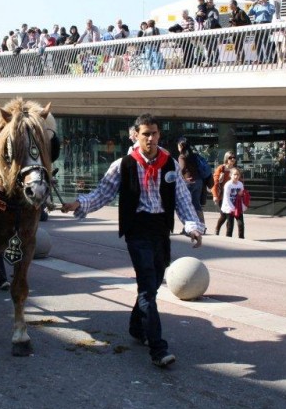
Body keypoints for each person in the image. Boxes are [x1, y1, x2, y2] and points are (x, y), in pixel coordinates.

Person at [60, 114, 204, 368]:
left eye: (155, 133)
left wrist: (192, 226)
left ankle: (137, 326)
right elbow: (102, 193)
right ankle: (158, 348)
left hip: (160, 230)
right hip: (136, 229)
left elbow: (182, 198)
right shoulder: (124, 164)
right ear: (136, 135)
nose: (150, 138)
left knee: (154, 282)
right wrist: (78, 204)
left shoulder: (169, 163)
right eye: (146, 133)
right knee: (148, 285)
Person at [177, 138, 205, 225]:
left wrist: (182, 178)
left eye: (178, 145)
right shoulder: (195, 155)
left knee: (186, 205)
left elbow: (182, 168)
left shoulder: (182, 156)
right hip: (198, 181)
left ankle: (189, 227)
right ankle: (202, 225)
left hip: (188, 182)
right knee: (196, 204)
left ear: (181, 146)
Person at [212, 151, 238, 235]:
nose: (233, 159)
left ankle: (228, 234)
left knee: (229, 216)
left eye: (234, 157)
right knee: (224, 215)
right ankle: (217, 229)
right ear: (226, 158)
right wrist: (215, 195)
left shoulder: (235, 170)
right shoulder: (221, 168)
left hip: (232, 196)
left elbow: (240, 182)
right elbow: (215, 183)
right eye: (230, 157)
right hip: (222, 196)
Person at [217, 167, 245, 238]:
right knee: (230, 225)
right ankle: (228, 238)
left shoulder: (240, 184)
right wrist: (232, 208)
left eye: (238, 175)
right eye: (234, 174)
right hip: (229, 208)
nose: (236, 176)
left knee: (240, 224)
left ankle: (241, 238)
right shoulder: (228, 185)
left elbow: (242, 197)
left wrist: (243, 206)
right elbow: (226, 198)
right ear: (231, 175)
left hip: (238, 208)